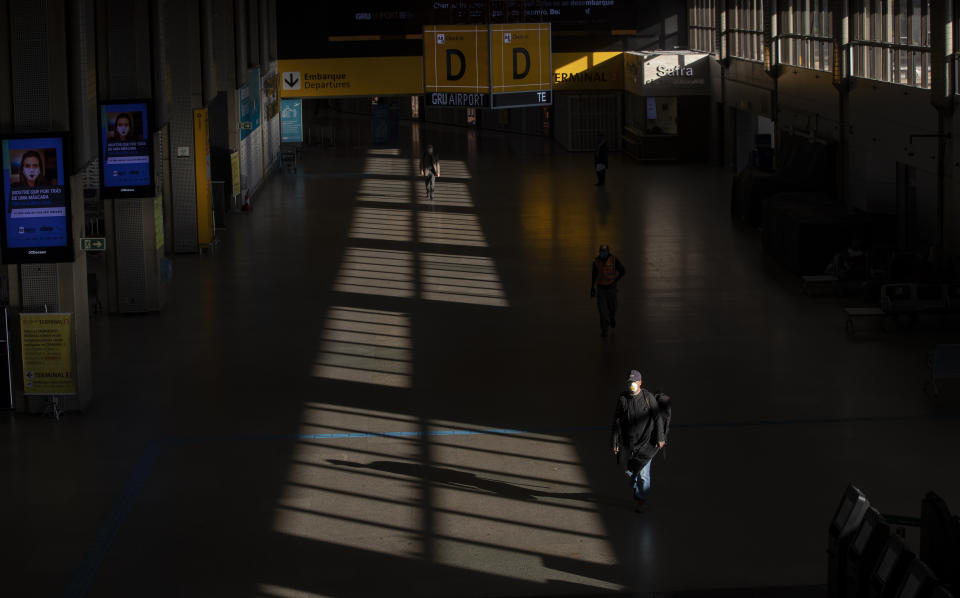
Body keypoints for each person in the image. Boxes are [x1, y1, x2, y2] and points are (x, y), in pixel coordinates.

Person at [611, 370, 672, 513]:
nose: (631, 385)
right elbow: (617, 420)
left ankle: (641, 500)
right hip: (629, 443)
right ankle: (636, 487)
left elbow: (657, 418)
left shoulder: (647, 397)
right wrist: (615, 442)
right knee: (630, 471)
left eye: (634, 382)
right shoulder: (623, 399)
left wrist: (660, 437)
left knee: (644, 474)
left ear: (640, 382)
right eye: (629, 382)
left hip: (646, 443)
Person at [590, 244, 625, 338]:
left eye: (604, 252)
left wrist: (615, 281)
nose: (603, 253)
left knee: (613, 308)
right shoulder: (596, 261)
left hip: (611, 289)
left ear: (608, 252)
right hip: (601, 289)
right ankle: (604, 330)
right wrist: (592, 288)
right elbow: (594, 275)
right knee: (602, 312)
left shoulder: (613, 260)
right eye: (601, 251)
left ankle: (612, 317)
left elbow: (623, 271)